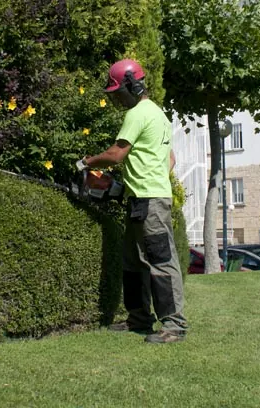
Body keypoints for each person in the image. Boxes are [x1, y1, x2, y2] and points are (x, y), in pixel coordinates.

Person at [76, 59, 188, 344]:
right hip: (141, 199)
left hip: (150, 201)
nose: (117, 98)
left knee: (161, 261)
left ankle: (174, 326)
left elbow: (115, 155)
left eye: (118, 92)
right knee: (134, 262)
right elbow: (170, 159)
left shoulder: (137, 113)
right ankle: (139, 318)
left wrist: (86, 162)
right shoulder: (158, 115)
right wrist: (146, 179)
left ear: (131, 86)